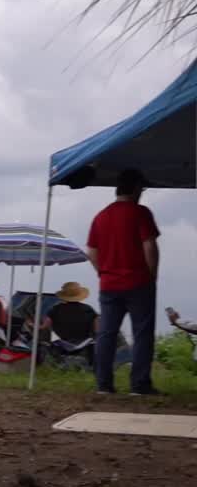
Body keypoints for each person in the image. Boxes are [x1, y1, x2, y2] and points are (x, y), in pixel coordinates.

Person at [87, 169, 161, 395]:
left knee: (106, 334)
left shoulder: (101, 216)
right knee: (142, 333)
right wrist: (152, 274)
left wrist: (103, 272)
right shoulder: (140, 213)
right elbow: (149, 245)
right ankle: (139, 385)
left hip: (109, 284)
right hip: (138, 281)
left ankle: (104, 385)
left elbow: (91, 250)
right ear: (137, 188)